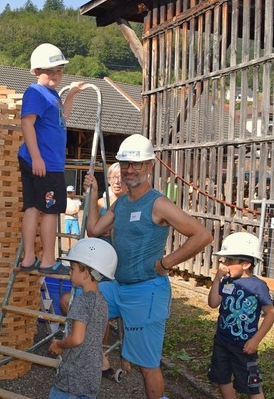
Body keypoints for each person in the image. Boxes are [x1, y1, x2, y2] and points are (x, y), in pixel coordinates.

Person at [81, 133, 213, 399]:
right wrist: (93, 194)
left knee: (148, 366)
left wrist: (167, 263)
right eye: (126, 164)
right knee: (81, 302)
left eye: (137, 164)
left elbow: (203, 235)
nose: (130, 170)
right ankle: (106, 358)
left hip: (146, 292)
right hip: (118, 287)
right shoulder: (121, 203)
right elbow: (94, 230)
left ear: (150, 166)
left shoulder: (158, 203)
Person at [18, 43, 85, 275]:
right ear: (37, 71)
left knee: (34, 208)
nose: (56, 74)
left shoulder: (53, 96)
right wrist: (37, 158)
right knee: (50, 210)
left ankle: (28, 259)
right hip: (44, 162)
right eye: (50, 70)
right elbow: (27, 123)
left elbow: (63, 118)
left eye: (59, 70)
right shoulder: (36, 92)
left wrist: (72, 94)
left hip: (44, 161)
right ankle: (47, 260)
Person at [207, 232, 274, 399]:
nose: (224, 265)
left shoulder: (258, 286)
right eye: (223, 260)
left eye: (229, 261)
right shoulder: (227, 281)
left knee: (252, 385)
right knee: (221, 378)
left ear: (245, 264)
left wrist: (256, 340)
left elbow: (270, 314)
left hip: (244, 346)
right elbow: (213, 303)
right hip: (222, 341)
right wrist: (217, 280)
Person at [48, 238, 117, 399]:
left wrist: (59, 344)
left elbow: (77, 339)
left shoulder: (81, 301)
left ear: (86, 274)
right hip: (91, 376)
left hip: (72, 378)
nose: (69, 272)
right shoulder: (102, 301)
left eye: (72, 268)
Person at [97, 162, 127, 243]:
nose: (117, 182)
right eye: (113, 177)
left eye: (122, 177)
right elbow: (91, 230)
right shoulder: (101, 203)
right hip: (104, 248)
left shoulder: (135, 203)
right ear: (109, 180)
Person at [63, 185, 81, 249]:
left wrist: (69, 213)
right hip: (67, 219)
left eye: (71, 192)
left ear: (73, 192)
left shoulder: (77, 199)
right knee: (68, 235)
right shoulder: (65, 199)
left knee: (77, 235)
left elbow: (77, 210)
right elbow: (63, 210)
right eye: (68, 192)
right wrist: (71, 213)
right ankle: (69, 248)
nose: (69, 193)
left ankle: (79, 247)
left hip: (74, 220)